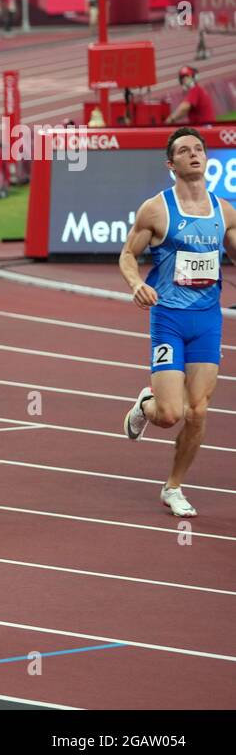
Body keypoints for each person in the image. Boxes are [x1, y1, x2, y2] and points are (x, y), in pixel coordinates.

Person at [119, 127, 234, 517]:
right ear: (171, 164)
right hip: (168, 318)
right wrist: (136, 284)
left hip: (207, 320)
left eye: (199, 149)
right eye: (184, 151)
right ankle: (145, 406)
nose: (194, 155)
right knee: (171, 415)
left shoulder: (226, 212)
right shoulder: (156, 209)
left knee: (198, 411)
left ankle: (174, 487)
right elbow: (127, 255)